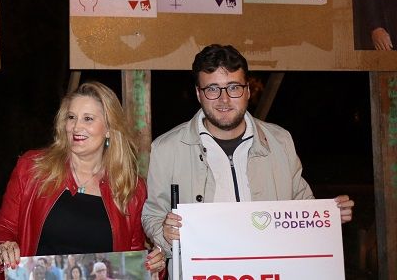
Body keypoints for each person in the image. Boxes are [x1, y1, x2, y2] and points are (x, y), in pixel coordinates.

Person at [141, 44, 355, 275]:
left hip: (272, 272)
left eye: (233, 87)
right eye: (212, 89)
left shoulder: (280, 141)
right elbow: (153, 214)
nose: (224, 99)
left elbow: (301, 205)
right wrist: (165, 233)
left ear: (248, 91)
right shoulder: (166, 148)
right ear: (198, 93)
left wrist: (328, 216)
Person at [0, 82, 164, 275]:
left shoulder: (131, 187)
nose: (76, 126)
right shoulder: (32, 168)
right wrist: (4, 245)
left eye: (88, 119)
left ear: (109, 129)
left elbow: (133, 258)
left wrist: (153, 266)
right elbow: (4, 226)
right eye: (71, 117)